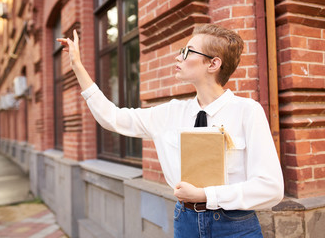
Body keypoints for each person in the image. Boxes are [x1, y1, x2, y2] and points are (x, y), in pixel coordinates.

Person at [57, 24, 284, 237]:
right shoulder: (170, 114)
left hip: (236, 225)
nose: (178, 57)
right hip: (185, 222)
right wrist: (77, 65)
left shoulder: (247, 111)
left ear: (213, 64)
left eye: (187, 52)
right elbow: (112, 117)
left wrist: (207, 196)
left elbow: (271, 188)